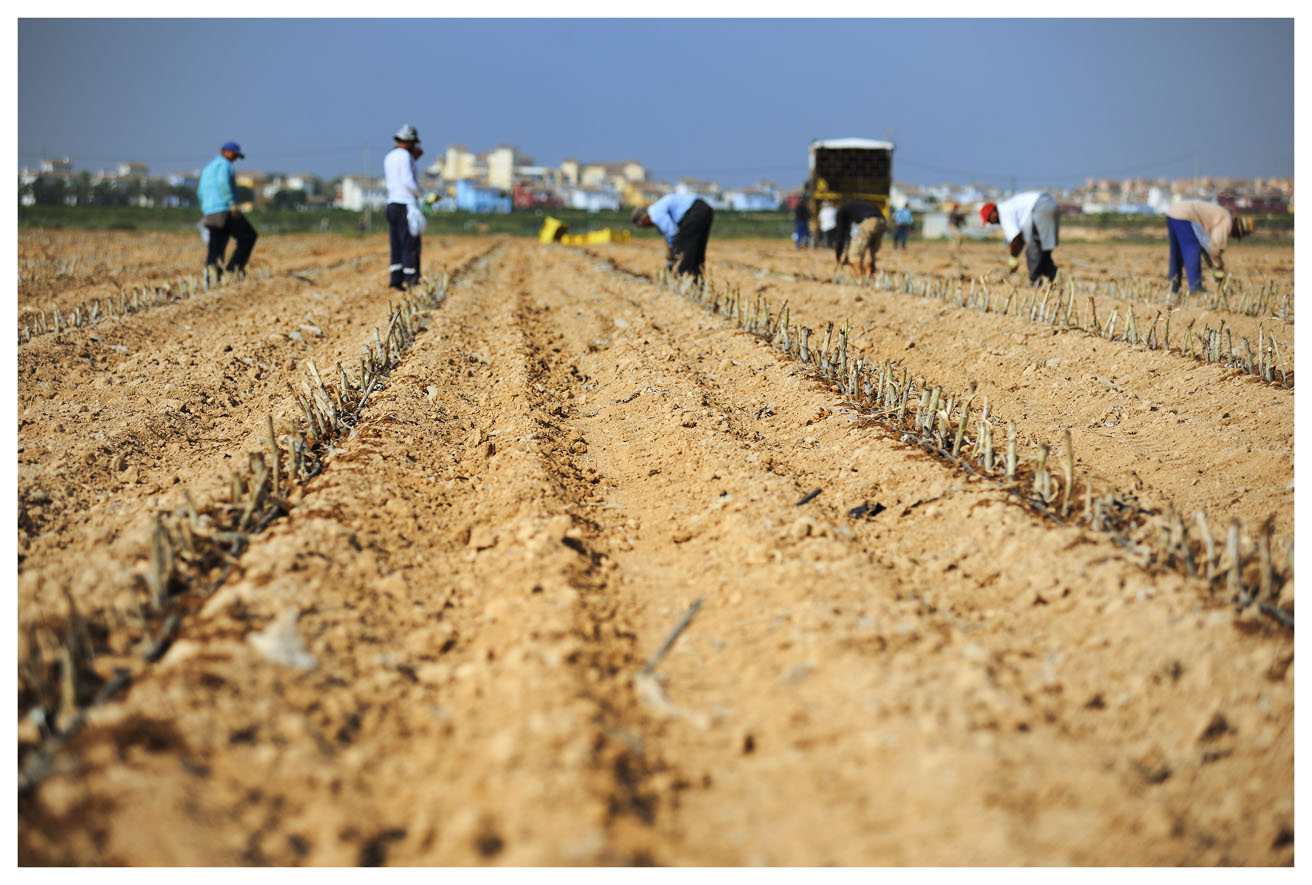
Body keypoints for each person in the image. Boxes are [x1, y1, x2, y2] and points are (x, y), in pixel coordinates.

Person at [197, 141, 257, 280]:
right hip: (224, 208)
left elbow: (200, 192)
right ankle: (233, 269)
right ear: (228, 152)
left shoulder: (208, 168)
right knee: (248, 236)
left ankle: (212, 276)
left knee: (216, 243)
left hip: (210, 212)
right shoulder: (225, 165)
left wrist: (205, 208)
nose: (236, 159)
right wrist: (231, 203)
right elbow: (223, 182)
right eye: (235, 155)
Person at [1165, 200, 1254, 294]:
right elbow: (1215, 247)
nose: (1235, 237)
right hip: (1186, 215)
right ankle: (1195, 288)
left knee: (1177, 253)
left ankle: (1173, 287)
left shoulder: (1221, 215)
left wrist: (1212, 265)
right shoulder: (1227, 221)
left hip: (1173, 213)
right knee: (1192, 249)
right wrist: (1218, 267)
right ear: (1239, 227)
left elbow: (1208, 248)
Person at [979, 191, 1060, 284]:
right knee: (1042, 249)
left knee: (1033, 248)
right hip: (1050, 203)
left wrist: (1013, 257)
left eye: (989, 219)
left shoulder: (1004, 212)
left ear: (993, 212)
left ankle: (1035, 280)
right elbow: (1020, 238)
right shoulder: (1009, 207)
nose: (991, 223)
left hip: (1039, 207)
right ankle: (1054, 276)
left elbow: (1016, 238)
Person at [631, 193, 715, 280]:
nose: (647, 228)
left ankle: (684, 278)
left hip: (694, 212)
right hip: (704, 209)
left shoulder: (656, 215)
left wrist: (672, 257)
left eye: (644, 226)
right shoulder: (657, 209)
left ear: (644, 220)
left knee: (685, 253)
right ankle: (696, 281)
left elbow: (672, 233)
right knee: (697, 251)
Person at [384, 124, 424, 290]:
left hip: (391, 204)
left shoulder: (389, 156)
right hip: (405, 204)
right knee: (410, 243)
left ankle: (396, 278)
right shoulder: (405, 156)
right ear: (408, 142)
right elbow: (408, 181)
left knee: (396, 244)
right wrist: (421, 194)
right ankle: (411, 277)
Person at [832, 199, 887, 278]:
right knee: (870, 251)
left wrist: (838, 256)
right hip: (883, 222)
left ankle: (859, 278)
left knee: (854, 254)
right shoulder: (855, 205)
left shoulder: (841, 212)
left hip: (869, 221)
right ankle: (869, 275)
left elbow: (840, 235)